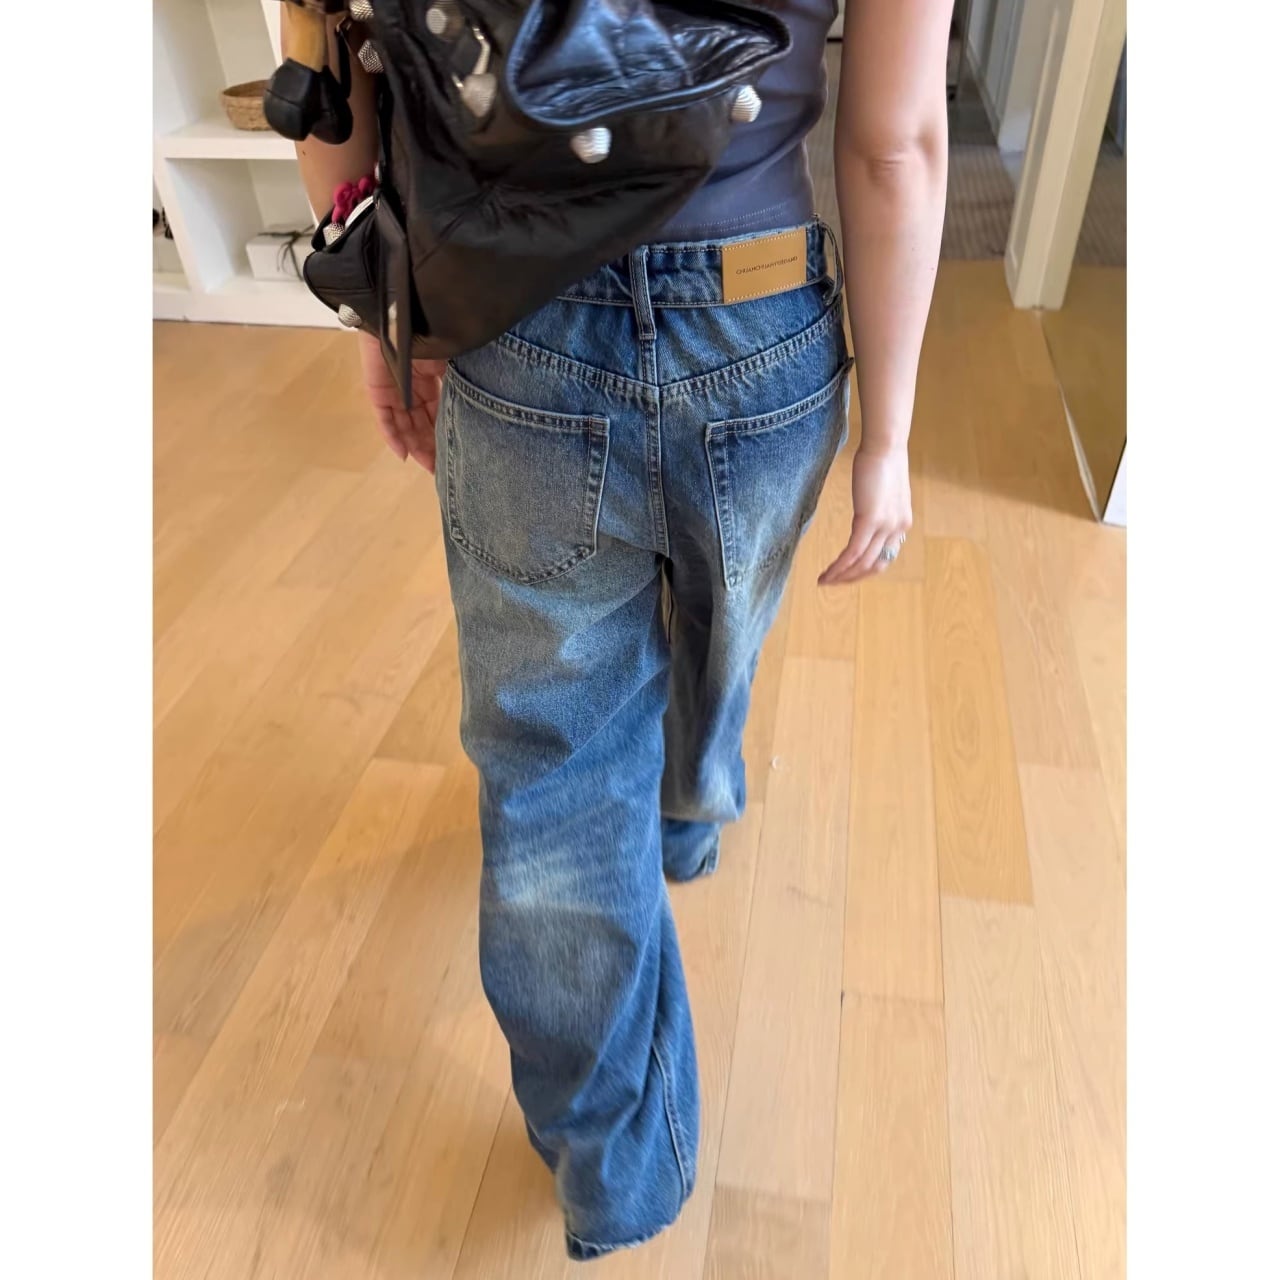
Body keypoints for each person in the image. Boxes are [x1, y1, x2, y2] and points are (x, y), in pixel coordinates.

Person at [296, 0, 949, 1259]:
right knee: (721, 613)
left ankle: (616, 1167)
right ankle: (685, 811)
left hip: (516, 319)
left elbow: (329, 70)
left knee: (552, 768)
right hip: (757, 315)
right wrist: (891, 434)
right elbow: (894, 144)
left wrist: (389, 312)